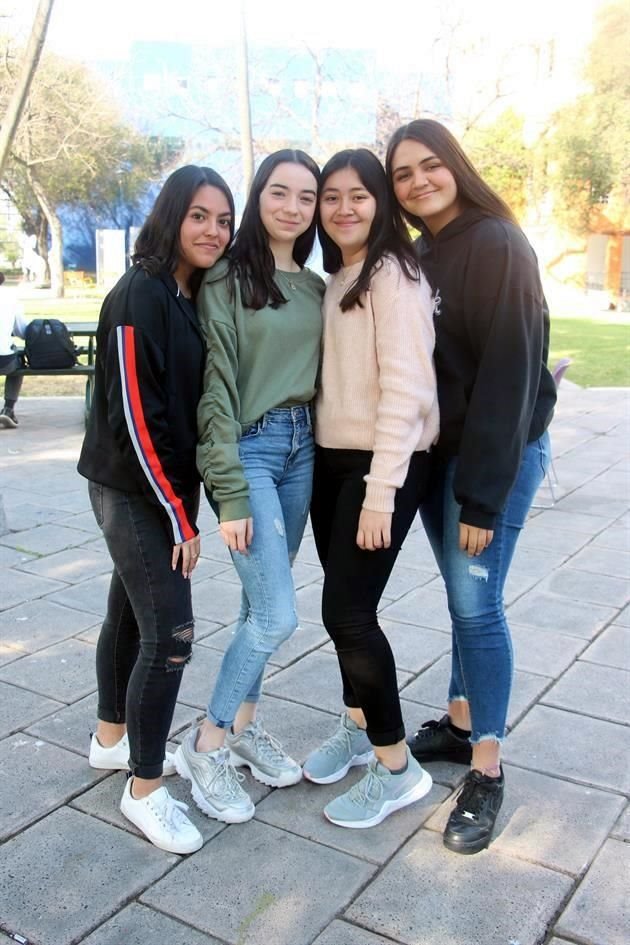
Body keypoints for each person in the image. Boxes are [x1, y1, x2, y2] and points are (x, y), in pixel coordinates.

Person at [386, 119, 557, 854]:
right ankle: (459, 725)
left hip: (493, 459)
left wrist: (483, 497)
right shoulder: (422, 253)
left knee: (478, 607)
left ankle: (486, 767)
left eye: (430, 165)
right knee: (462, 600)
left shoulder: (497, 243)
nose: (419, 181)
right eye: (403, 174)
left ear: (456, 165)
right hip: (442, 456)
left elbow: (510, 376)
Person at [77, 165, 235, 854]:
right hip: (134, 489)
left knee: (129, 614)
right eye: (199, 215)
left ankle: (111, 740)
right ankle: (143, 790)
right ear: (171, 216)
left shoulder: (183, 292)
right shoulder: (139, 293)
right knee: (170, 633)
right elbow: (136, 418)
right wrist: (178, 513)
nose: (213, 230)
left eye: (223, 220)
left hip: (159, 488)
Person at [175, 149, 325, 823]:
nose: (293, 207)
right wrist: (230, 491)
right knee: (277, 615)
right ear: (258, 197)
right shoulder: (228, 278)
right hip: (250, 448)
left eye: (306, 197)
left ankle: (244, 727)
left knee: (254, 603)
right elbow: (216, 387)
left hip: (302, 449)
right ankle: (205, 743)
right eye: (279, 193)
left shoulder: (316, 287)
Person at [302, 148, 439, 829]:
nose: (343, 207)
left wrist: (381, 489)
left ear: (381, 203)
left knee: (348, 614)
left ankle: (397, 766)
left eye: (359, 194)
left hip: (380, 464)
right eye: (331, 196)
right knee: (344, 605)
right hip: (331, 461)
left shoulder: (393, 274)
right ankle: (358, 726)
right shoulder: (340, 276)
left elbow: (409, 389)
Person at [0, 272, 27, 429]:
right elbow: (22, 331)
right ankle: (8, 409)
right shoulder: (9, 299)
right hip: (4, 361)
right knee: (19, 364)